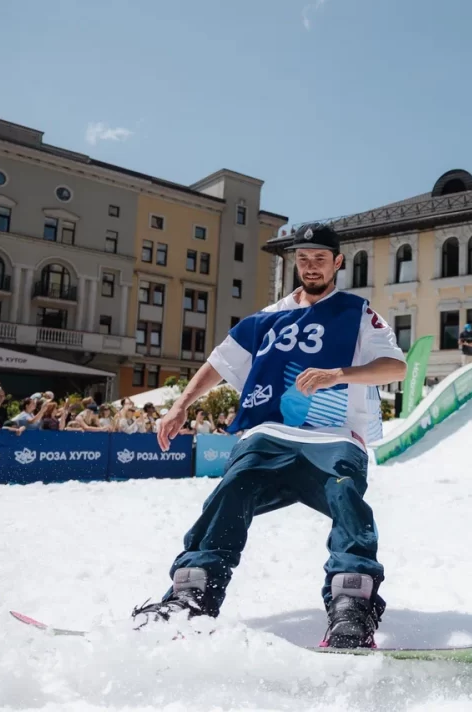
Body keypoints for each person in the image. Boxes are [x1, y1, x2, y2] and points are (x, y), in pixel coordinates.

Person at [131, 223, 406, 649]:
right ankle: (192, 594)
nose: (310, 267)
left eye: (320, 259)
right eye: (303, 259)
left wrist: (340, 374)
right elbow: (219, 363)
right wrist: (181, 404)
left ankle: (352, 604)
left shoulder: (357, 312)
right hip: (269, 432)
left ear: (337, 262)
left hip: (332, 436)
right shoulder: (265, 318)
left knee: (346, 492)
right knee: (233, 487)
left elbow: (395, 367)